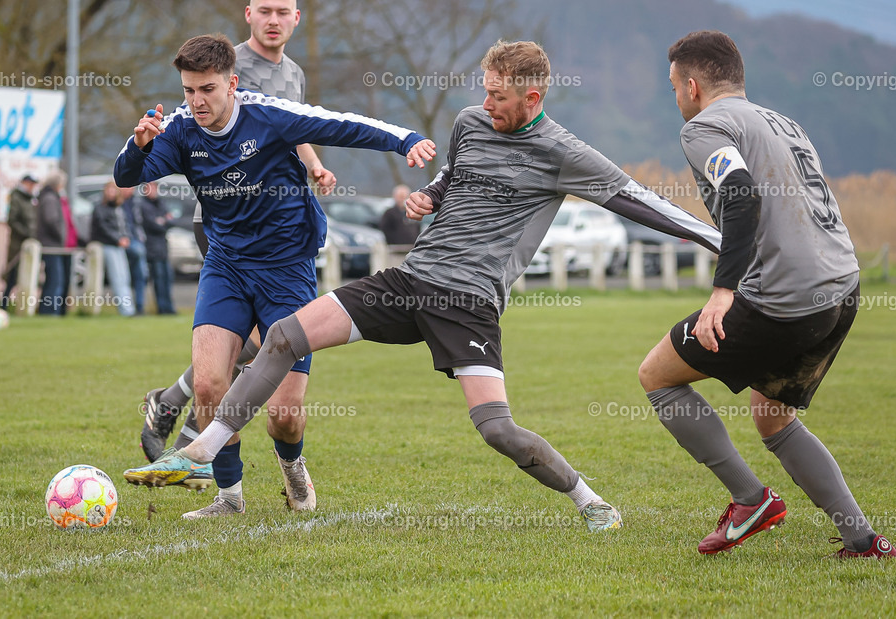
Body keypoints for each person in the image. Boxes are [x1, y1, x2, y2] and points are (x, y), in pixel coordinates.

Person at [125, 40, 723, 530]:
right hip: (410, 280)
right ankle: (206, 449)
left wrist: (721, 243)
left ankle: (589, 499)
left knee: (497, 430)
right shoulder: (469, 122)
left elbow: (641, 201)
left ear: (532, 97)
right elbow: (454, 171)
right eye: (483, 90)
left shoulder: (563, 152)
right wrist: (429, 196)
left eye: (497, 95)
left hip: (467, 305)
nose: (485, 104)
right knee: (285, 336)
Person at [114, 32, 435, 519]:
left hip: (287, 271)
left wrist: (404, 139)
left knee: (283, 417)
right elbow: (125, 175)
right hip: (225, 266)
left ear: (232, 84)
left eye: (208, 90)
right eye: (189, 90)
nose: (197, 101)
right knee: (207, 386)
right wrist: (139, 147)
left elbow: (340, 125)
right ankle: (229, 497)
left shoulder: (267, 114)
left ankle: (292, 465)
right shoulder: (178, 129)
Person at [637, 30, 896, 558]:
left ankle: (750, 501)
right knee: (773, 416)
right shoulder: (784, 122)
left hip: (784, 298)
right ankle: (862, 538)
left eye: (673, 89)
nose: (677, 99)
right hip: (841, 288)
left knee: (658, 376)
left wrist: (722, 292)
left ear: (691, 85)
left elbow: (739, 195)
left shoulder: (706, 126)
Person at [137, 0, 337, 516]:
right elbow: (187, 121)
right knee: (235, 351)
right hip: (226, 227)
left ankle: (173, 405)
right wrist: (151, 163)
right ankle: (214, 465)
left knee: (259, 350)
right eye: (265, 10)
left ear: (297, 20)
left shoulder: (291, 72)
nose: (274, 20)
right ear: (248, 15)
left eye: (284, 12)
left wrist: (314, 165)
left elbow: (294, 127)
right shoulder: (226, 66)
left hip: (282, 231)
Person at [90, 181, 136, 317]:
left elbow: (125, 226)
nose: (111, 193)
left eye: (113, 190)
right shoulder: (99, 208)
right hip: (108, 246)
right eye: (108, 190)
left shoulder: (119, 208)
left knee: (124, 277)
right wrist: (117, 239)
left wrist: (126, 237)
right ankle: (126, 310)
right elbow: (103, 228)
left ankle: (129, 309)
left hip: (119, 246)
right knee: (117, 278)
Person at [36, 170, 77, 316]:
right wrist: (62, 237)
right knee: (55, 281)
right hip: (53, 246)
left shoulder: (52, 198)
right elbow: (51, 220)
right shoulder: (50, 198)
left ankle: (55, 311)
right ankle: (50, 312)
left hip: (57, 246)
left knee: (55, 280)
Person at [138, 184, 176, 315]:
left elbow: (171, 221)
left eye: (154, 188)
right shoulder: (143, 205)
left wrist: (163, 221)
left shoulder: (161, 203)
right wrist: (163, 221)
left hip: (163, 247)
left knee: (167, 279)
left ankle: (169, 308)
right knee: (158, 279)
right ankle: (162, 308)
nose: (152, 191)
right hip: (152, 248)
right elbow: (153, 225)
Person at [2, 174, 38, 308]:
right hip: (18, 244)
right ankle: (4, 304)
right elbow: (12, 220)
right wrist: (26, 234)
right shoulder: (17, 198)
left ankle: (23, 304)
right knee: (12, 276)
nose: (32, 187)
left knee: (27, 275)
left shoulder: (31, 199)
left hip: (30, 245)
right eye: (30, 184)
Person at [121, 185, 148, 315]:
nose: (128, 189)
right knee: (124, 277)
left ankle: (140, 306)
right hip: (123, 243)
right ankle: (128, 308)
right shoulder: (117, 204)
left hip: (136, 241)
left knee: (140, 276)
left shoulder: (137, 203)